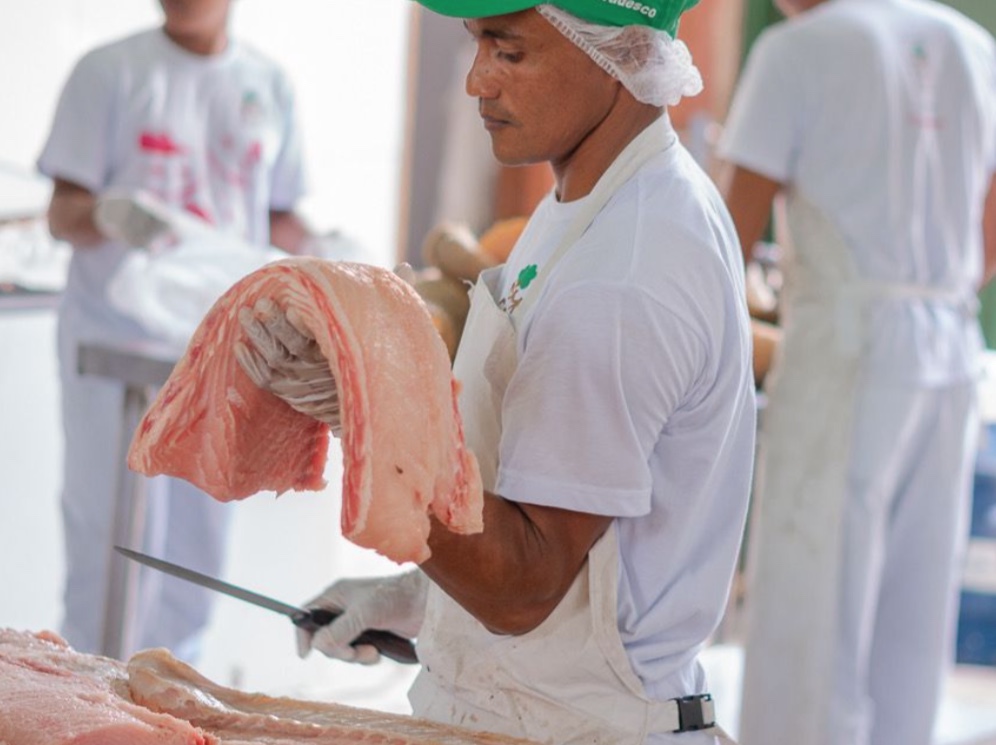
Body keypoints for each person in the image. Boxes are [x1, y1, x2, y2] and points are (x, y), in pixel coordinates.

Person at [237, 1, 756, 743]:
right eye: (478, 44)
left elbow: (522, 588)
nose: (479, 81)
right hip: (537, 709)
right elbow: (545, 515)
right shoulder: (599, 201)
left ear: (615, 55)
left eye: (509, 51)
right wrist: (421, 596)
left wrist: (371, 426)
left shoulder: (618, 276)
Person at [716, 1, 996, 743]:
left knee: (815, 613)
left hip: (846, 346)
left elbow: (725, 242)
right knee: (914, 608)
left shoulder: (797, 49)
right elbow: (991, 223)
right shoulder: (971, 44)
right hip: (948, 340)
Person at [38, 0, 319, 661]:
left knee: (197, 556)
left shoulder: (267, 84)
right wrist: (106, 213)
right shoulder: (109, 72)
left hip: (222, 349)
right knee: (109, 551)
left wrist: (328, 254)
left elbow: (278, 218)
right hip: (118, 345)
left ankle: (170, 708)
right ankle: (90, 700)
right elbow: (61, 212)